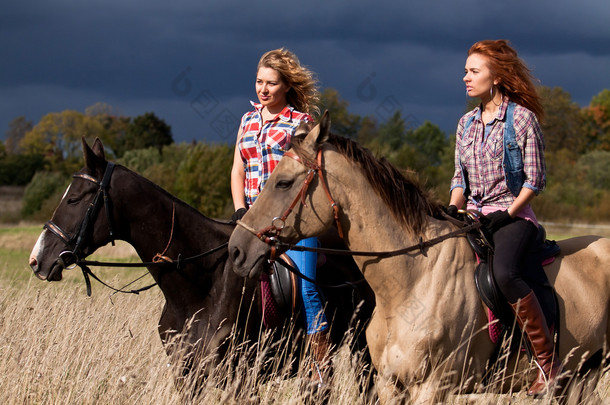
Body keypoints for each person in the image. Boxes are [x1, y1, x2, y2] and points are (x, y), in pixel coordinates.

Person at [447, 40, 561, 396]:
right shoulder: (465, 124)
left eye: (473, 71)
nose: (465, 77)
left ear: (495, 76)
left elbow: (535, 179)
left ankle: (547, 363)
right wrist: (453, 207)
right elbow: (459, 179)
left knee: (504, 273)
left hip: (514, 217)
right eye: (466, 70)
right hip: (475, 216)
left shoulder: (522, 119)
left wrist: (506, 214)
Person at [230, 48, 331, 383]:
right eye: (259, 81)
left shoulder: (300, 123)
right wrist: (240, 209)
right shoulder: (247, 120)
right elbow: (238, 168)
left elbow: (308, 174)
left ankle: (320, 366)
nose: (263, 89)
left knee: (306, 289)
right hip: (251, 218)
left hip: (290, 222)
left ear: (286, 86)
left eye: (271, 83)